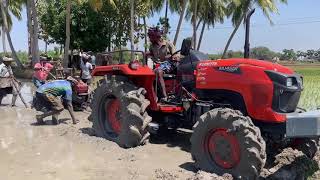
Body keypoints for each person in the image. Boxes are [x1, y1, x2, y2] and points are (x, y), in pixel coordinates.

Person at [147, 27, 178, 101]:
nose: (150, 39)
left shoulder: (168, 44)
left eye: (151, 37)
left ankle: (165, 96)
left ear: (156, 37)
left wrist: (174, 57)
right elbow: (151, 54)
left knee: (158, 71)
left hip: (169, 64)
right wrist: (147, 55)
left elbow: (176, 55)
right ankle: (153, 96)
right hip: (158, 65)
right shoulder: (152, 46)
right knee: (149, 74)